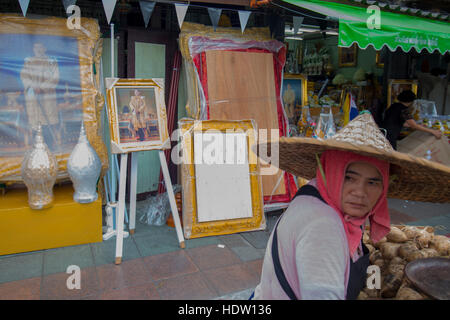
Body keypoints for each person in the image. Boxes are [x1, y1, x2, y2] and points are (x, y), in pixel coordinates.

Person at [251, 112, 450, 300]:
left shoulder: (329, 198)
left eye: (372, 182)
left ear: (385, 185)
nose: (360, 192)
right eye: (348, 177)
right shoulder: (323, 226)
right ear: (329, 171)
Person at [20, 42, 60, 146]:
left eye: (40, 47)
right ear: (33, 49)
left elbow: (55, 77)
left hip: (47, 97)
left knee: (47, 121)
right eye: (35, 47)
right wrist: (33, 86)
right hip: (33, 97)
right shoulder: (28, 61)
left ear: (44, 48)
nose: (38, 49)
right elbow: (24, 76)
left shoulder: (52, 61)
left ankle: (50, 146)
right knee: (35, 122)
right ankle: (36, 147)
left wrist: (42, 87)